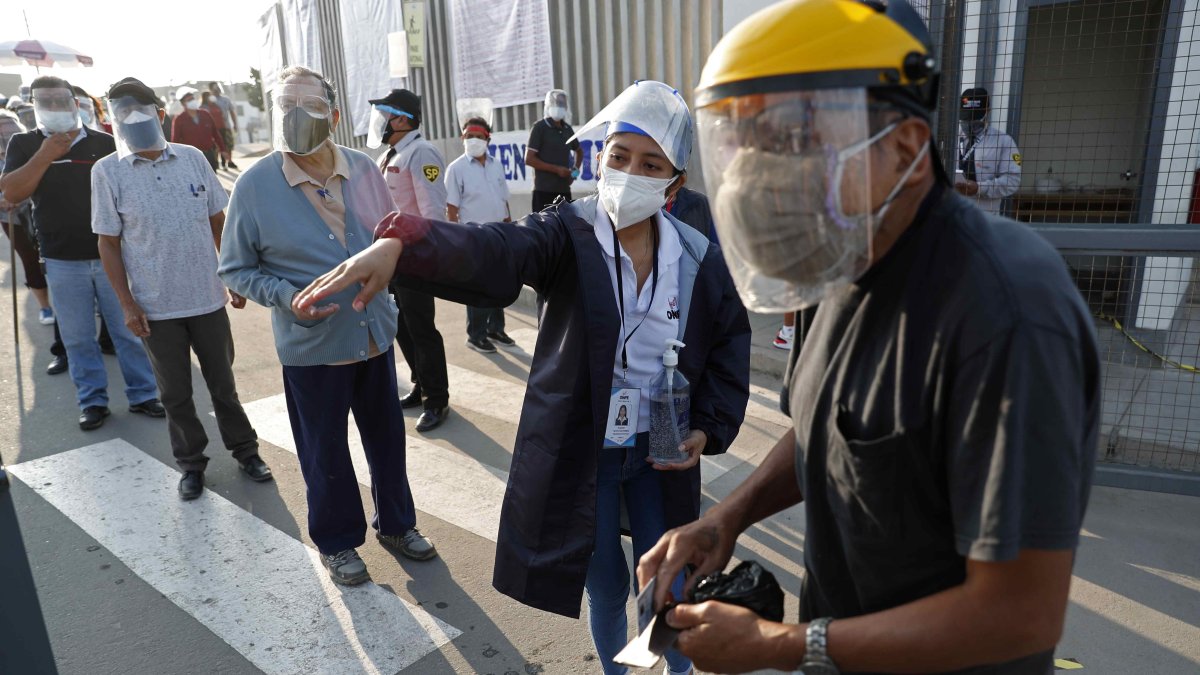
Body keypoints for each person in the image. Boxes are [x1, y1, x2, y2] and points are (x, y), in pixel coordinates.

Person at [636, 2, 1100, 674]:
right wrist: (727, 517)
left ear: (906, 147)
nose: (762, 174)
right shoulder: (846, 253)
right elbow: (833, 426)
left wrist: (788, 644)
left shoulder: (1007, 313)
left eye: (799, 139)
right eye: (753, 140)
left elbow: (1021, 613)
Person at [296, 79, 752, 675]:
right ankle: (620, 669)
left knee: (667, 577)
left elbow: (728, 344)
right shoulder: (569, 232)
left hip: (661, 450)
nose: (628, 172)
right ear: (597, 157)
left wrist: (709, 428)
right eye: (618, 156)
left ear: (675, 183)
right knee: (606, 585)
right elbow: (495, 250)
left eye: (650, 164)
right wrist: (404, 244)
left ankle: (673, 668)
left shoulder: (696, 256)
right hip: (587, 450)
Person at [218, 66, 436, 585]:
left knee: (387, 442)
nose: (295, 117)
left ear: (334, 115)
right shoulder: (254, 186)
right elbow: (235, 268)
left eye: (308, 106)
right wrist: (287, 298)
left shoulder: (362, 168)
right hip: (312, 347)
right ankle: (338, 542)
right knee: (326, 452)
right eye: (285, 106)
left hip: (374, 336)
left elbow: (387, 235)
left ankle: (397, 524)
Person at [92, 77, 271, 501]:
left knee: (223, 385)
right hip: (155, 307)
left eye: (141, 109)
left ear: (159, 111)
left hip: (207, 298)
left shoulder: (192, 159)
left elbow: (217, 221)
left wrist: (234, 272)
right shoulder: (108, 171)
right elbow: (108, 242)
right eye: (123, 112)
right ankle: (191, 464)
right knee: (175, 394)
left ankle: (246, 452)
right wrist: (127, 303)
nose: (133, 118)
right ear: (114, 119)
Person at [0, 76, 164, 431]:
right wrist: (46, 155)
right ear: (35, 106)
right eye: (47, 102)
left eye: (62, 100)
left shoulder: (105, 142)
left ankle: (143, 394)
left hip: (113, 256)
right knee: (77, 337)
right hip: (61, 259)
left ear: (76, 104)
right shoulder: (25, 142)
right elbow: (12, 192)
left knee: (129, 330)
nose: (56, 107)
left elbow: (131, 189)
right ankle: (92, 401)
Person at [366, 88, 451, 432]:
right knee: (400, 325)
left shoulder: (422, 153)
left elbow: (432, 211)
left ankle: (437, 399)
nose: (380, 124)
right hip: (389, 256)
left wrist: (431, 257)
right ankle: (420, 382)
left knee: (421, 327)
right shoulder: (389, 156)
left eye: (385, 116)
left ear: (402, 119)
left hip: (414, 256)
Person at [445, 115, 515, 353]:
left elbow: (503, 199)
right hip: (473, 236)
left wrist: (510, 226)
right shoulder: (456, 169)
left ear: (488, 139)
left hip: (499, 233)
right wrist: (455, 240)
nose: (473, 140)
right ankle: (476, 335)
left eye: (478, 136)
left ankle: (496, 328)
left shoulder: (496, 165)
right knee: (478, 287)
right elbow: (451, 208)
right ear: (462, 138)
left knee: (500, 283)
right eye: (469, 136)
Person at [0, 110, 54, 326]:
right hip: (11, 218)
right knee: (29, 260)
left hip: (40, 211)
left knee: (53, 258)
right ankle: (45, 307)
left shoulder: (26, 148)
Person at [956, 87, 1021, 214]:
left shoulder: (1004, 141)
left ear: (987, 111)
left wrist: (980, 188)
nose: (969, 123)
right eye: (965, 119)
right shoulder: (949, 139)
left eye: (974, 119)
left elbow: (1013, 181)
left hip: (985, 217)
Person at [525, 89, 582, 212]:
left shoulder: (567, 129)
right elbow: (529, 159)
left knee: (564, 229)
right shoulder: (540, 127)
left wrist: (574, 173)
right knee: (543, 229)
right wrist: (556, 170)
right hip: (543, 191)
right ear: (548, 106)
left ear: (566, 107)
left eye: (561, 104)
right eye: (555, 103)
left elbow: (579, 151)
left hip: (564, 191)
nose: (558, 107)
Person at [171, 87, 226, 171]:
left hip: (209, 155)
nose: (192, 101)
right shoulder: (179, 120)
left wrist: (223, 149)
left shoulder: (205, 114)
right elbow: (175, 141)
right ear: (183, 104)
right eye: (189, 100)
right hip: (191, 158)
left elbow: (215, 133)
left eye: (193, 99)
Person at [208, 82, 239, 170]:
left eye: (218, 88)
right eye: (215, 88)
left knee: (228, 144)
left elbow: (232, 112)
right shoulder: (209, 100)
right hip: (214, 128)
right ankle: (218, 163)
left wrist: (235, 124)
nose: (217, 90)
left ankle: (229, 161)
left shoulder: (226, 99)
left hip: (226, 126)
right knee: (217, 146)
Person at [201, 91, 234, 171]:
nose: (210, 97)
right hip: (211, 130)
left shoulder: (216, 105)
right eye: (208, 96)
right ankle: (215, 164)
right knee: (215, 148)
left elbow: (222, 115)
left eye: (210, 95)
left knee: (223, 145)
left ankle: (224, 163)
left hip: (221, 128)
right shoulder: (203, 107)